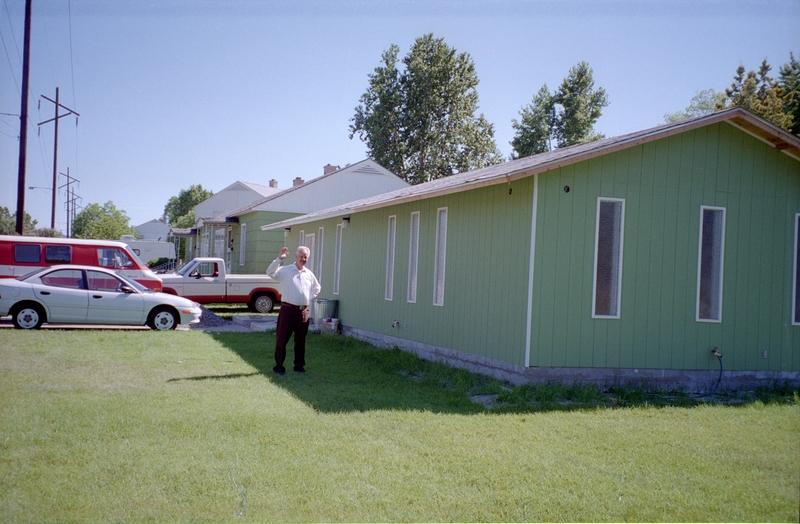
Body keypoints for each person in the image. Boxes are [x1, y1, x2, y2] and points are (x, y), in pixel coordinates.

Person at [266, 246, 321, 375]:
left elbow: (317, 288)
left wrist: (308, 297)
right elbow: (270, 272)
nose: (303, 259)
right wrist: (279, 259)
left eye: (305, 257)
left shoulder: (308, 274)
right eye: (301, 256)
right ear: (296, 257)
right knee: (282, 339)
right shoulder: (285, 270)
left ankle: (299, 366)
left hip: (303, 312)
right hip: (288, 310)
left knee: (300, 341)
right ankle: (279, 367)